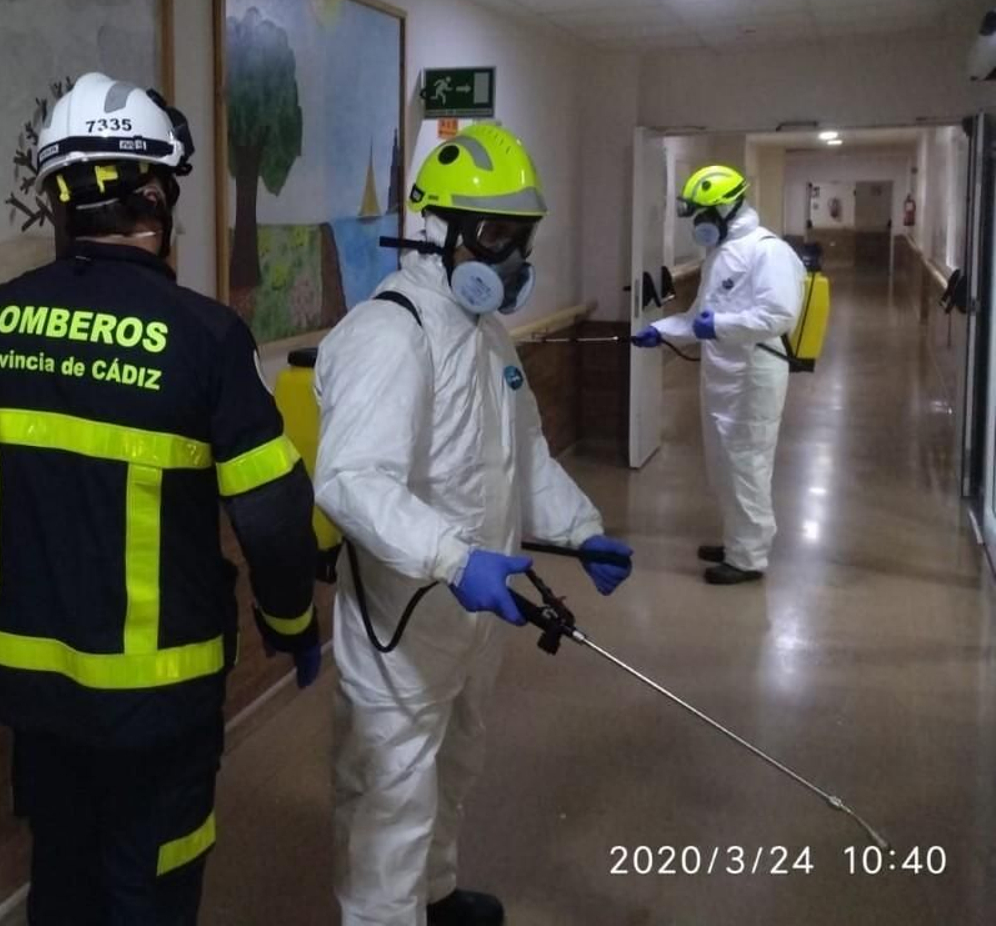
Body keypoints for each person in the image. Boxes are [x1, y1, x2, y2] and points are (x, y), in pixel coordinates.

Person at [0, 72, 320, 925]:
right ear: (157, 197)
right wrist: (290, 624)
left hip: (32, 691)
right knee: (151, 887)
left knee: (61, 876)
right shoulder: (206, 338)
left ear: (59, 200)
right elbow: (275, 516)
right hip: (158, 704)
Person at [314, 124, 634, 926]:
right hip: (406, 618)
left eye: (520, 237)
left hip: (475, 610)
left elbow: (519, 456)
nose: (512, 260)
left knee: (454, 764)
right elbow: (351, 482)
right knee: (391, 794)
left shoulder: (487, 335)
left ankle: (435, 894)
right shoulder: (391, 335)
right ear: (433, 230)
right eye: (493, 235)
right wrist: (456, 560)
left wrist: (581, 527)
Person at [632, 163, 806, 585]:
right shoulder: (721, 253)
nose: (698, 224)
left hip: (755, 372)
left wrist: (720, 328)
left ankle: (749, 557)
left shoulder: (768, 251)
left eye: (703, 215)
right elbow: (699, 318)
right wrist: (659, 329)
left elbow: (779, 315)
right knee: (723, 464)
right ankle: (736, 540)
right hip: (722, 373)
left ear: (726, 209)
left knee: (747, 464)